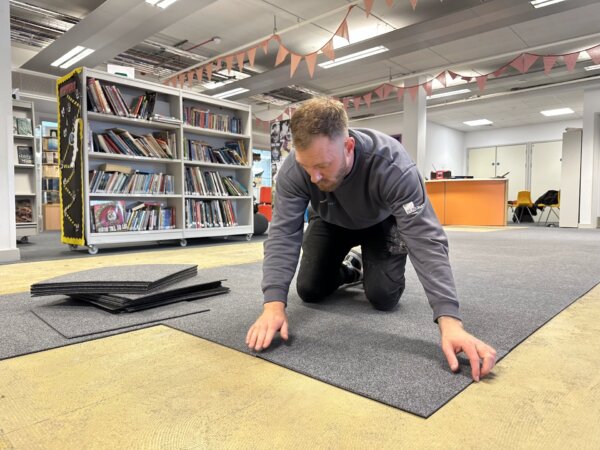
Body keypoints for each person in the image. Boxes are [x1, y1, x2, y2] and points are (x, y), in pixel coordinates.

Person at [246, 98, 497, 381]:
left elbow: (426, 240)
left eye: (323, 166)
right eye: (307, 167)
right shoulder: (296, 169)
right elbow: (282, 234)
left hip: (382, 223)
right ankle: (351, 268)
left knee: (383, 297)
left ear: (348, 147)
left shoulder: (393, 165)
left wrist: (451, 322)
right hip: (330, 218)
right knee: (309, 289)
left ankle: (371, 266)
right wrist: (273, 305)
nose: (314, 178)